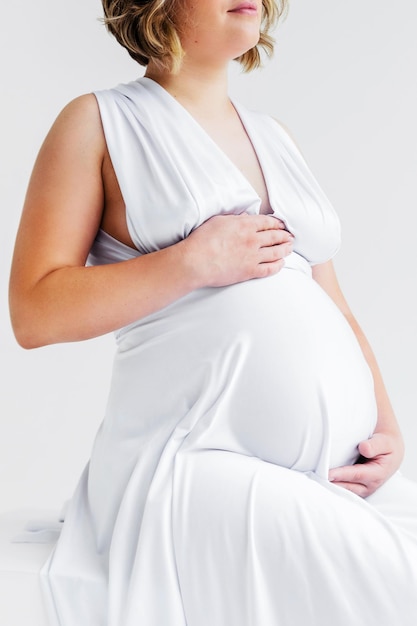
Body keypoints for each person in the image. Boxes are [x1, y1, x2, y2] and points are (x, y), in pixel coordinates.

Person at [8, 1, 417, 624]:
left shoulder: (276, 136)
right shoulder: (97, 122)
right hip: (188, 461)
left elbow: (331, 303)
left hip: (330, 472)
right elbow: (34, 311)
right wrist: (190, 263)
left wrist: (387, 429)